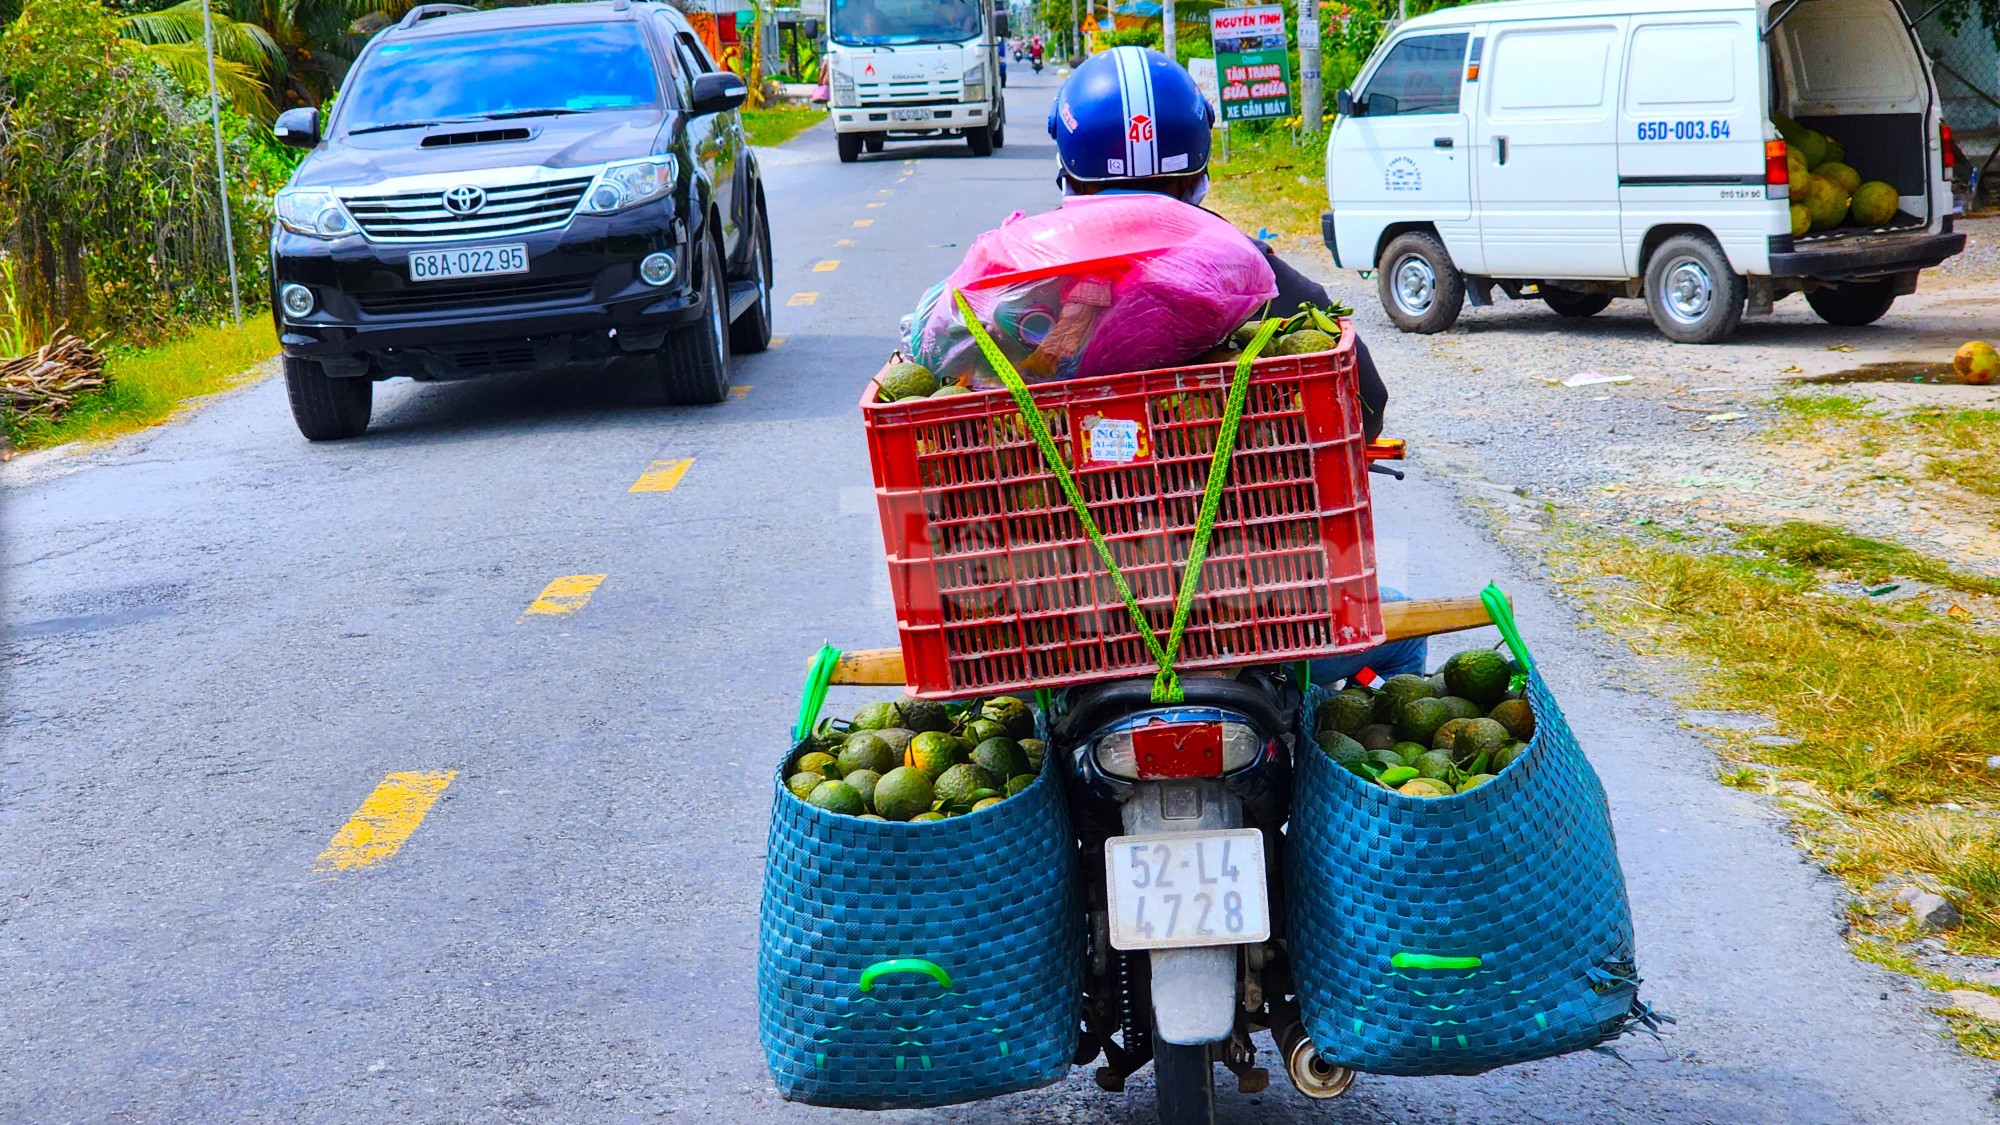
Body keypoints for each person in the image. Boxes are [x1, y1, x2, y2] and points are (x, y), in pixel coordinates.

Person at [1047, 46, 1423, 683]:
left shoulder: (1022, 287)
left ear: (1068, 171)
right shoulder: (1252, 273)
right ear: (1197, 170)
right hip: (1256, 612)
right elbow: (1362, 401)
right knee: (1402, 646)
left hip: (1066, 621)